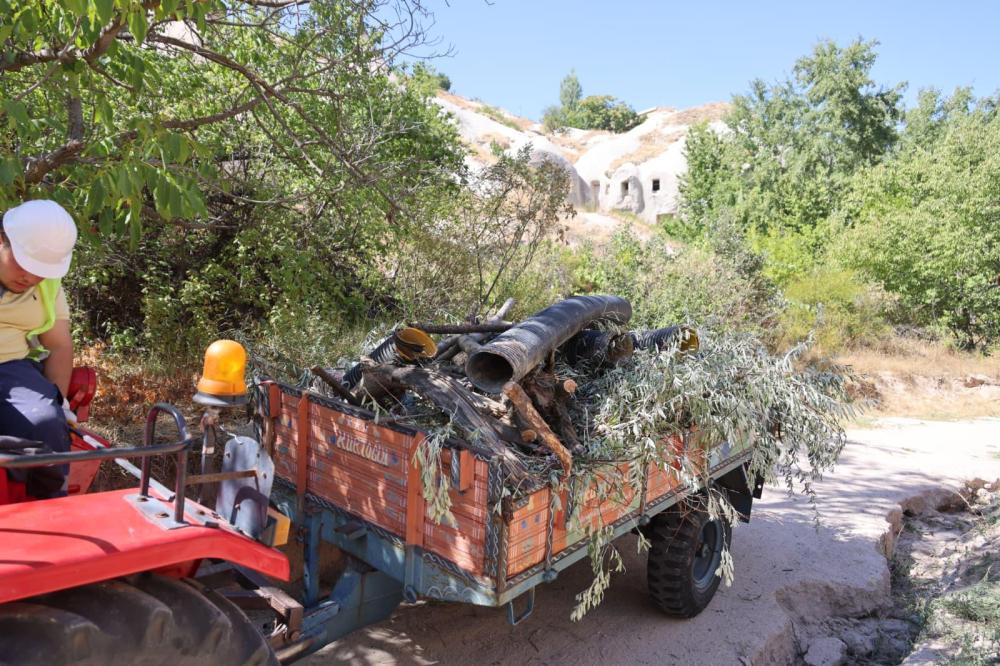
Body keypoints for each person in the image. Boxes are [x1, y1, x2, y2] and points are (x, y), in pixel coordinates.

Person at [0, 200, 78, 498]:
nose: (30, 278)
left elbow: (58, 346)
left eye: (40, 271)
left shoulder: (48, 286)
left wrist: (60, 405)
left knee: (45, 423)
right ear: (2, 239)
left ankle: (51, 510)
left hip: (10, 368)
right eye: (23, 264)